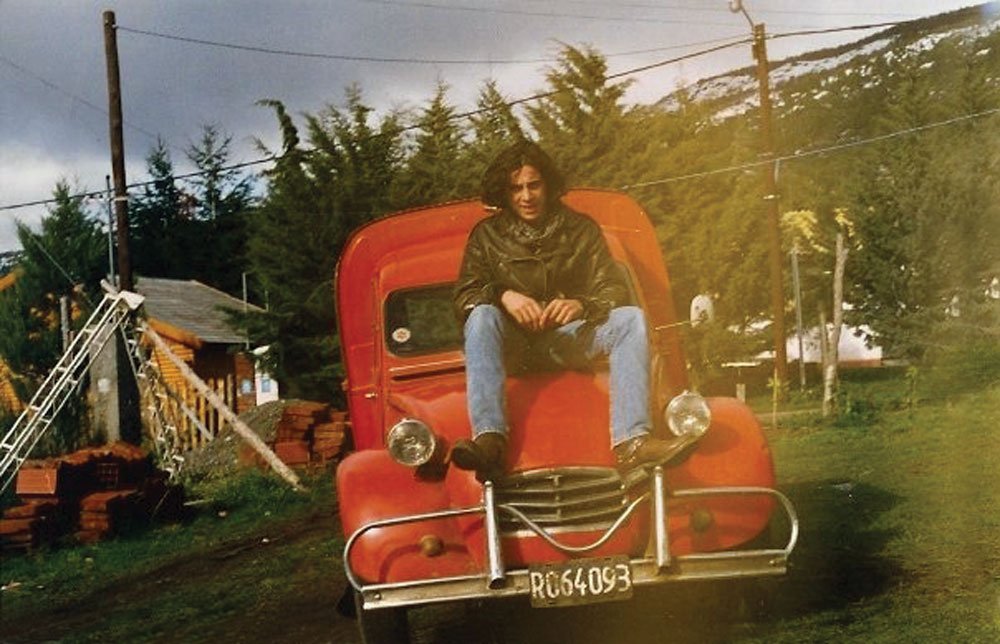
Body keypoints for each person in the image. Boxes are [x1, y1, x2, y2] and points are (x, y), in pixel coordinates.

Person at [451, 140, 690, 481]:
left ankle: (632, 441)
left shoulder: (582, 230)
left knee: (631, 319)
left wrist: (582, 304)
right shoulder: (486, 237)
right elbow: (465, 295)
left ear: (548, 184)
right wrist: (504, 295)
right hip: (512, 348)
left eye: (533, 185)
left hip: (567, 341)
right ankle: (489, 441)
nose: (526, 196)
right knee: (481, 315)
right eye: (515, 188)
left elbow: (612, 287)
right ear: (503, 192)